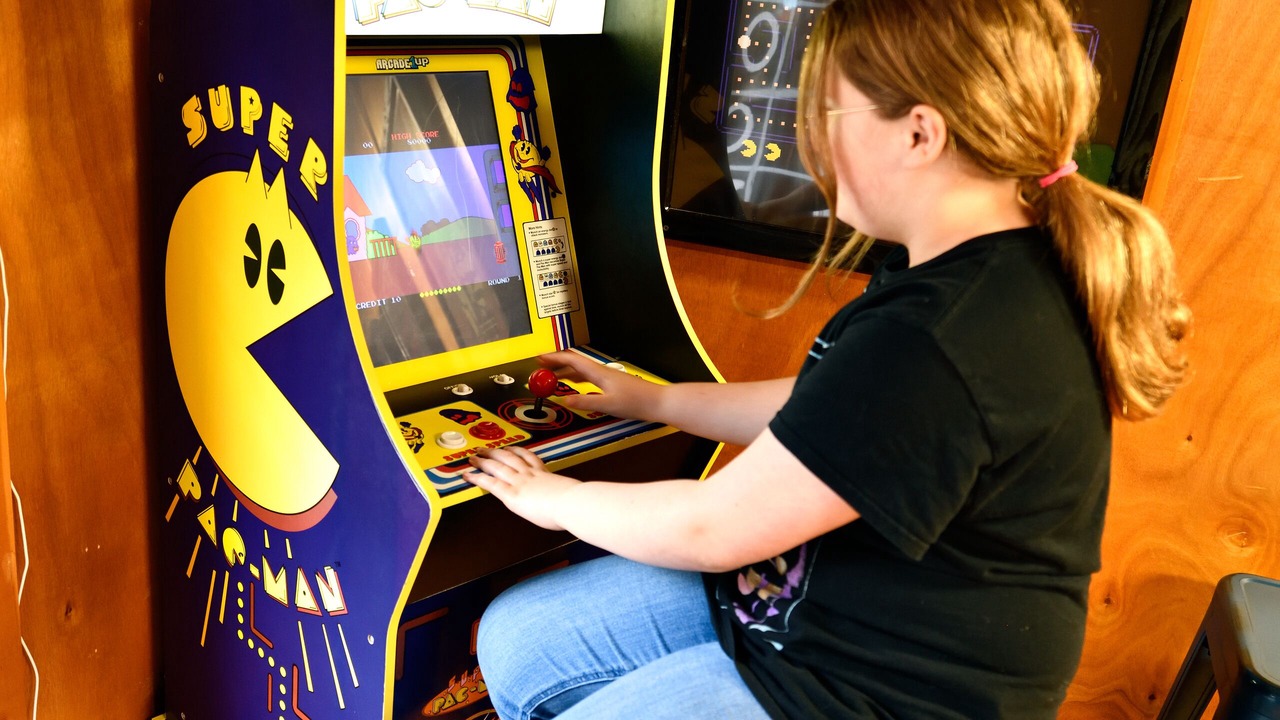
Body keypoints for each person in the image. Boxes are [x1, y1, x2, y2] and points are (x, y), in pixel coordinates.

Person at [465, 0, 1190, 717]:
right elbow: (825, 415)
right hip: (823, 609)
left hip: (876, 689)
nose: (807, 137)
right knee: (520, 639)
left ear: (919, 134)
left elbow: (711, 529)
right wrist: (650, 398)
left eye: (828, 114)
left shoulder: (950, 334)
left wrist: (553, 500)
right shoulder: (976, 268)